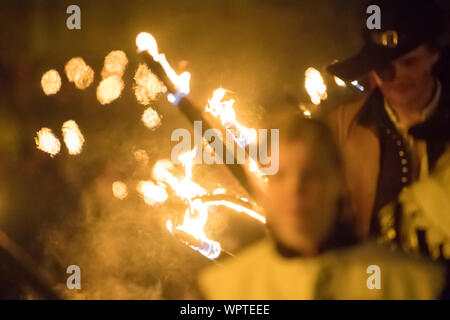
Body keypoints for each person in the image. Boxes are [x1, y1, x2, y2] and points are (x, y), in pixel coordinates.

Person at [198, 115, 445, 300]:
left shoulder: (414, 285)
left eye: (310, 175)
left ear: (338, 180)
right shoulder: (223, 291)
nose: (295, 190)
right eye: (280, 176)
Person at [326, 0, 450, 259]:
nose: (397, 77)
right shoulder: (342, 127)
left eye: (410, 63)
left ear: (434, 55)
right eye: (384, 67)